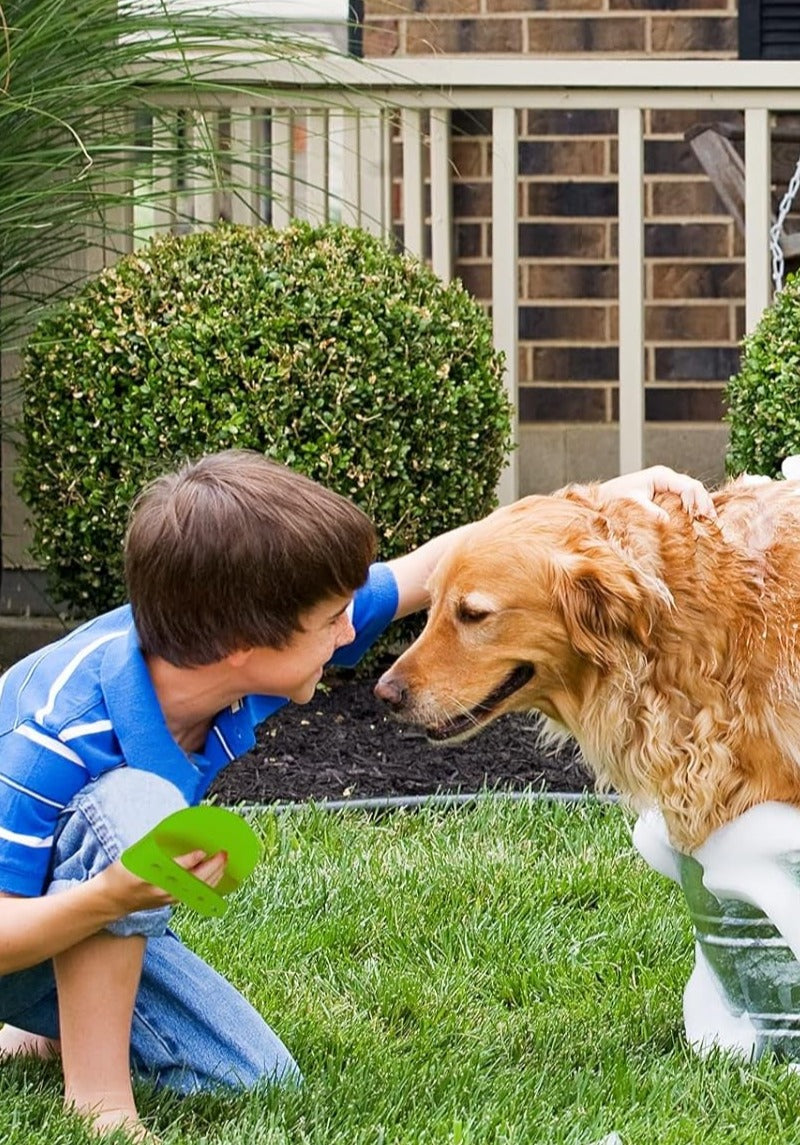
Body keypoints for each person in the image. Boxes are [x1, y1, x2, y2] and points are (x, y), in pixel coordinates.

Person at [0, 450, 713, 1140]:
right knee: (133, 810)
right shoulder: (57, 735)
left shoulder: (222, 646)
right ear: (243, 644)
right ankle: (98, 1104)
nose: (352, 633)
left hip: (64, 918)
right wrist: (110, 898)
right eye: (332, 621)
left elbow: (428, 569)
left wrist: (611, 499)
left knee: (251, 1081)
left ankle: (39, 1022)